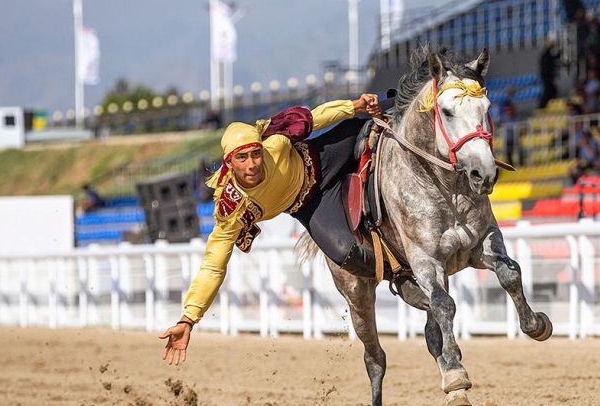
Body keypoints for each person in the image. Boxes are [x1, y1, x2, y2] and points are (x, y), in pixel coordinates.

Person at [158, 94, 416, 365]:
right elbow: (213, 266)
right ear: (229, 163)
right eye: (242, 158)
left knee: (372, 125)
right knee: (346, 253)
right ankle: (400, 276)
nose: (253, 164)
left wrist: (355, 106)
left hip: (325, 156)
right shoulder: (231, 209)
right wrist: (188, 319)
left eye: (256, 154)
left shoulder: (276, 140)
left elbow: (316, 118)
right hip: (310, 205)